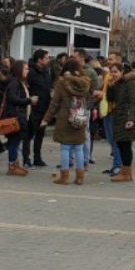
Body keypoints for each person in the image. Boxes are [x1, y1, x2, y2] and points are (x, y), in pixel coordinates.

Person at [42, 56, 93, 186]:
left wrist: (46, 119)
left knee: (65, 147)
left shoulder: (62, 82)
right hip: (80, 116)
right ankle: (80, 177)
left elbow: (55, 103)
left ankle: (64, 177)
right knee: (79, 148)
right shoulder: (86, 81)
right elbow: (90, 98)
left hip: (65, 117)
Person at [109, 64, 135, 183]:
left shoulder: (130, 83)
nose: (113, 74)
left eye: (115, 72)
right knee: (121, 144)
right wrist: (110, 85)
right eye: (111, 72)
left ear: (122, 72)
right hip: (119, 117)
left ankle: (126, 173)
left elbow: (134, 102)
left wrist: (131, 118)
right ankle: (125, 171)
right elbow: (110, 98)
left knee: (125, 145)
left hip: (127, 117)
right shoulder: (118, 84)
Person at [2, 60, 35, 176]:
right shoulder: (14, 83)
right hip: (15, 117)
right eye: (25, 69)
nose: (27, 71)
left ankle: (15, 164)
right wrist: (29, 100)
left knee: (15, 142)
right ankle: (12, 166)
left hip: (19, 116)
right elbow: (12, 99)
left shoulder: (20, 82)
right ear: (19, 70)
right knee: (14, 142)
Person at [26, 49, 53, 167]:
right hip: (33, 108)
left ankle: (37, 157)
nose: (48, 60)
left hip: (44, 107)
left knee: (40, 134)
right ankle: (26, 159)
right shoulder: (31, 72)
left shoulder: (46, 72)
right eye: (46, 58)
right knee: (29, 135)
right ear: (39, 59)